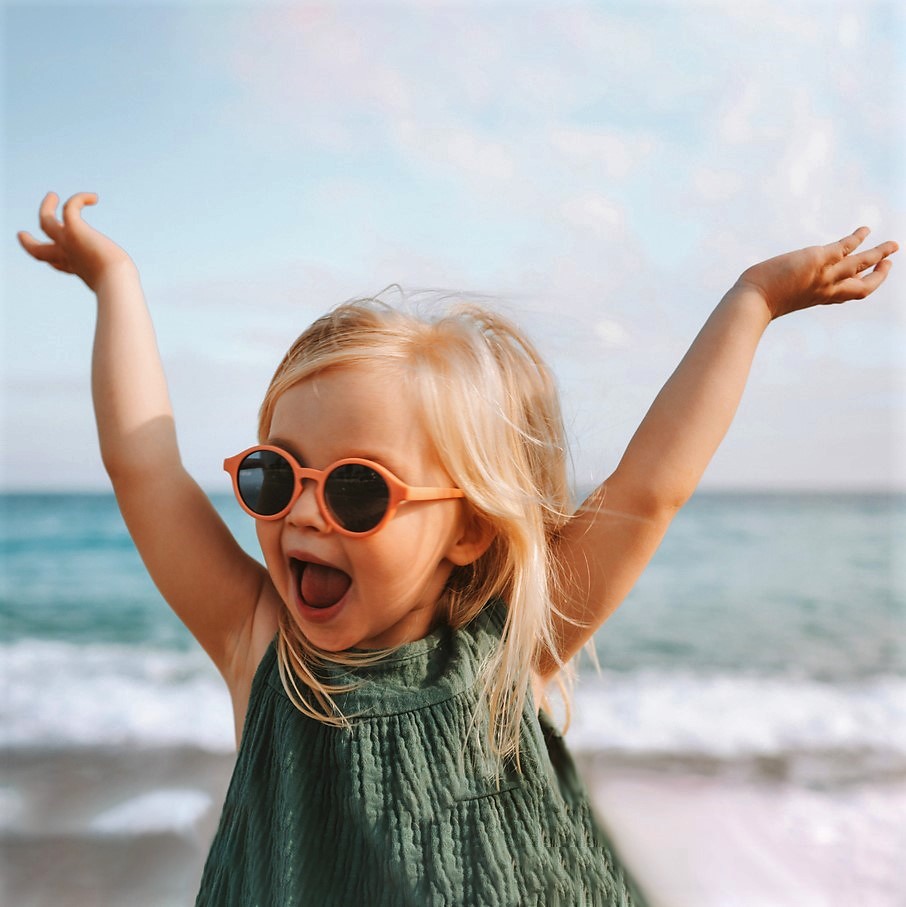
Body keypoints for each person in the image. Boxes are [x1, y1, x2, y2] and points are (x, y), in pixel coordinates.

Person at [18, 192, 898, 906]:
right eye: (275, 477)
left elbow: (647, 490)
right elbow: (143, 465)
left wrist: (753, 300)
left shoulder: (511, 646)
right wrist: (115, 279)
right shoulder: (263, 648)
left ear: (471, 525)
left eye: (359, 488)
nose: (305, 516)